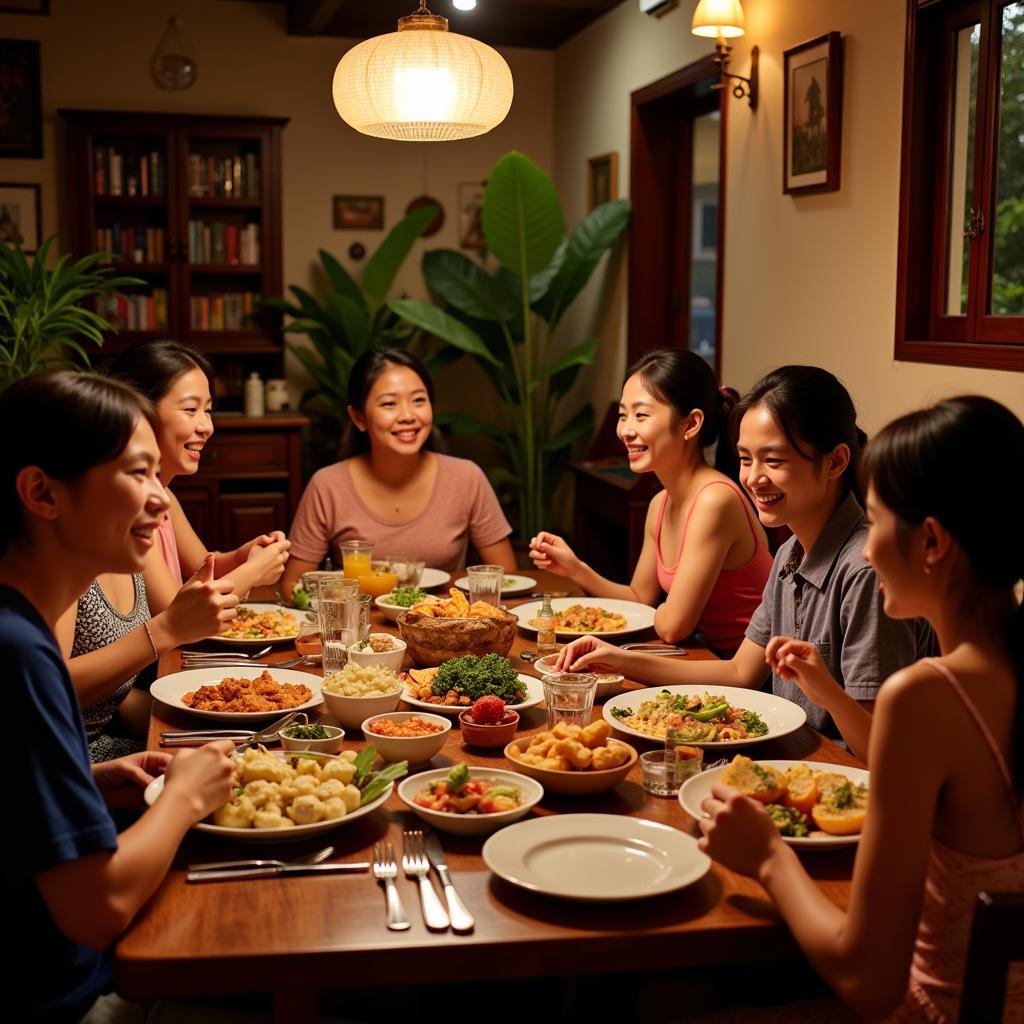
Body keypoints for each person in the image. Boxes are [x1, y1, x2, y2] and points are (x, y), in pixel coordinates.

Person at [697, 396, 1024, 1021]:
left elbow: (866, 980)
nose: (868, 551)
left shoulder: (927, 696)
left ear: (929, 540)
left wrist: (767, 854)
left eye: (875, 524)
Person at [1, 371, 235, 1022]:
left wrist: (98, 781)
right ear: (42, 493)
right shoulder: (18, 654)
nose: (161, 500)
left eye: (159, 475)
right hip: (70, 999)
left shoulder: (20, 629)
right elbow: (95, 910)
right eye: (139, 474)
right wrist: (186, 795)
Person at [556, 366, 932, 757]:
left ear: (836, 462)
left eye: (774, 460)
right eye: (745, 459)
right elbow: (739, 671)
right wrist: (620, 659)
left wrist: (827, 692)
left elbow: (879, 752)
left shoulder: (865, 572)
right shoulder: (790, 553)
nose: (753, 478)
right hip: (796, 758)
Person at [529, 348, 772, 652]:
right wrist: (575, 569)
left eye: (641, 415)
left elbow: (673, 627)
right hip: (703, 657)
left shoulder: (715, 500)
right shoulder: (660, 503)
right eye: (622, 415)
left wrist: (659, 616)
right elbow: (640, 599)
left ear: (690, 424)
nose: (626, 431)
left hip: (749, 676)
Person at [281, 347, 516, 598]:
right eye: (390, 403)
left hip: (448, 625)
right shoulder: (327, 485)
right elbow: (292, 587)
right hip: (360, 631)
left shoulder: (467, 477)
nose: (407, 416)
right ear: (359, 417)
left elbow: (507, 579)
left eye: (418, 400)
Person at [107, 339, 290, 613]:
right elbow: (176, 614)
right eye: (191, 409)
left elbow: (204, 569)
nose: (207, 426)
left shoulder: (164, 493)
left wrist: (243, 556)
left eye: (208, 410)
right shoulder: (130, 504)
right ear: (139, 411)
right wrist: (252, 572)